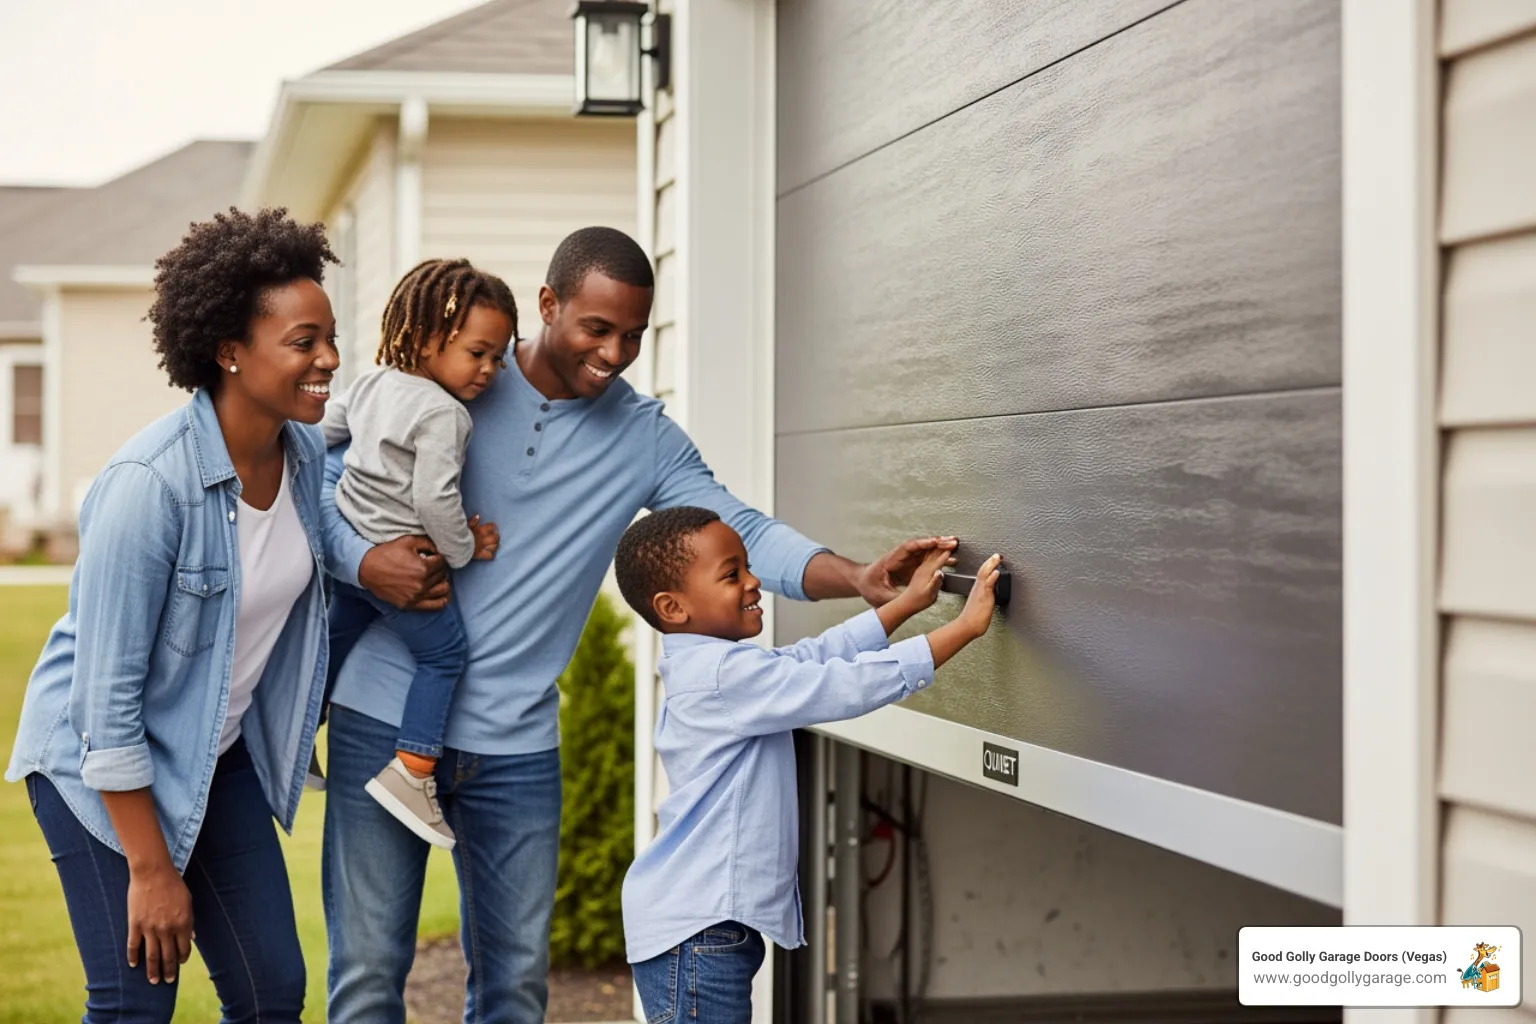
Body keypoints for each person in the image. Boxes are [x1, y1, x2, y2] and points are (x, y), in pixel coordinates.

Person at [318, 225, 959, 1023]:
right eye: (597, 328)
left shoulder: (642, 433)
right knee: (369, 976)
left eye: (633, 335)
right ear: (548, 305)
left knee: (515, 989)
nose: (616, 352)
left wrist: (855, 577)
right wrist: (361, 562)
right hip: (384, 711)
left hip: (515, 745)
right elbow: (327, 478)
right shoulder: (462, 379)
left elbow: (742, 526)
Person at [5, 207, 340, 1023]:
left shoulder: (302, 457)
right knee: (135, 1003)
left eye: (330, 336)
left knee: (271, 994)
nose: (329, 359)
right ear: (230, 351)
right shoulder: (148, 488)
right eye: (304, 343)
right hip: (99, 770)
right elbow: (104, 707)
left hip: (213, 757)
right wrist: (151, 871)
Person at [612, 507, 1003, 1021]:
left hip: (702, 927)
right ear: (673, 606)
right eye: (732, 574)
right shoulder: (722, 676)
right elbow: (842, 684)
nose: (754, 582)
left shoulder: (718, 667)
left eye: (748, 566)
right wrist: (963, 629)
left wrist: (906, 604)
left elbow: (814, 657)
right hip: (700, 931)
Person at [319, 258, 515, 849]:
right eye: (477, 353)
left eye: (498, 356)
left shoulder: (374, 382)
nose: (489, 369)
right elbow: (435, 499)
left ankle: (297, 734)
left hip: (355, 561)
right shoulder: (444, 414)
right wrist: (463, 550)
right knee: (446, 656)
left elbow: (323, 431)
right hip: (405, 568)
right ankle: (413, 769)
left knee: (333, 638)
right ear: (429, 340)